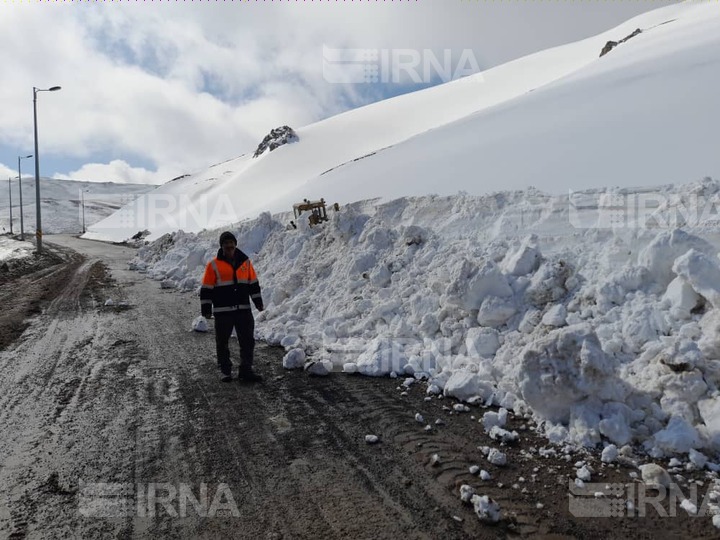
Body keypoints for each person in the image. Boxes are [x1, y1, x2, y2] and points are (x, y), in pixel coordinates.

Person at [201, 231, 264, 382]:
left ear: (235, 244)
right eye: (226, 243)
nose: (229, 246)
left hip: (243, 310)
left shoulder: (246, 263)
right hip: (223, 312)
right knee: (222, 342)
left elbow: (253, 284)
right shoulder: (213, 265)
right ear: (222, 246)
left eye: (231, 243)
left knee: (248, 341)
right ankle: (225, 370)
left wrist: (258, 303)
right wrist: (206, 309)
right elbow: (206, 289)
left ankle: (246, 370)